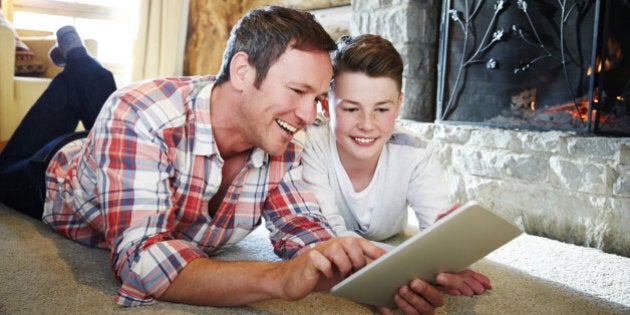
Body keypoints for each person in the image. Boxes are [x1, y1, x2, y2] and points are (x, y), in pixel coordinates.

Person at [302, 34, 492, 299]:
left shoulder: (417, 152)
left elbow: (437, 237)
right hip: (364, 242)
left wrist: (450, 260)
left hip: (390, 234)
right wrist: (414, 266)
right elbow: (330, 238)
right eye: (350, 109)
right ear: (326, 107)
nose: (367, 124)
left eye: (381, 109)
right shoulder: (311, 144)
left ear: (398, 105)